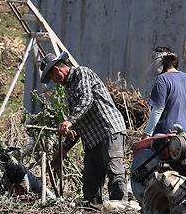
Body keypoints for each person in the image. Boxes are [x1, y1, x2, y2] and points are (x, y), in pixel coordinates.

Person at [40, 51, 128, 204]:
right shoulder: (68, 90)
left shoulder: (82, 73)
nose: (54, 82)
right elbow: (78, 125)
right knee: (90, 182)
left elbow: (86, 99)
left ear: (57, 70)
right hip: (92, 139)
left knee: (115, 173)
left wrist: (69, 121)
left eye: (52, 78)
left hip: (108, 131)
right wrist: (63, 150)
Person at [143, 48, 186, 138]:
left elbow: (158, 109)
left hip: (169, 135)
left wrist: (147, 133)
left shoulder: (162, 79)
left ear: (161, 65)